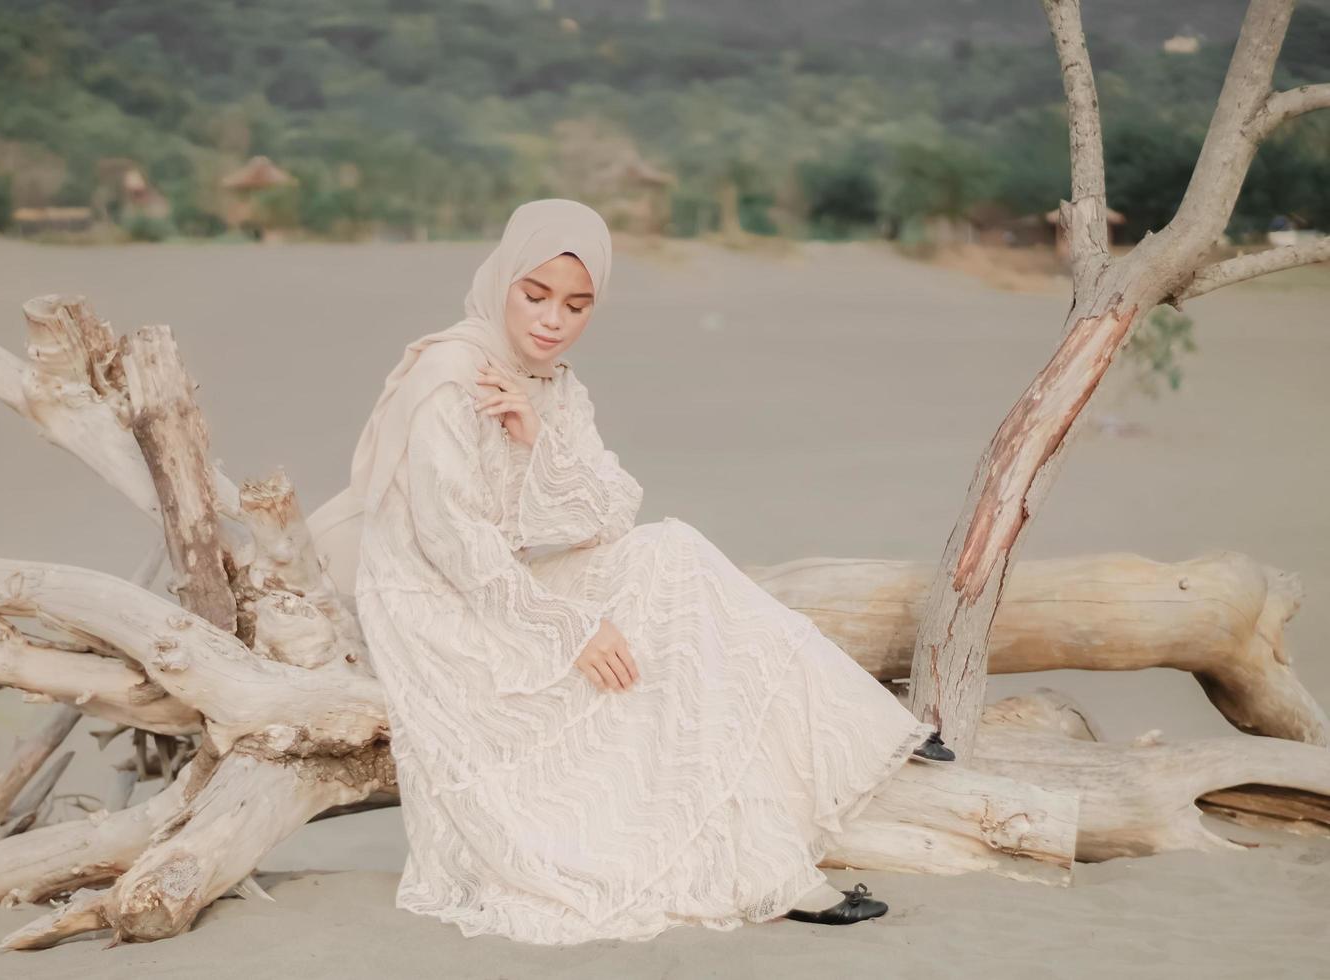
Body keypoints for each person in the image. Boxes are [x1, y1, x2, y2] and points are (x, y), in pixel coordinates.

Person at [309, 198, 952, 945]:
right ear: (503, 281)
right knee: (659, 651)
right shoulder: (452, 374)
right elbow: (451, 542)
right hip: (435, 612)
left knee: (671, 552)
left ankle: (818, 796)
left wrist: (537, 436)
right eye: (535, 294)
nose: (553, 320)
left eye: (577, 305)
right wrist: (570, 630)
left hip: (499, 592)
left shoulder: (551, 385)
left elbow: (612, 510)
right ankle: (777, 863)